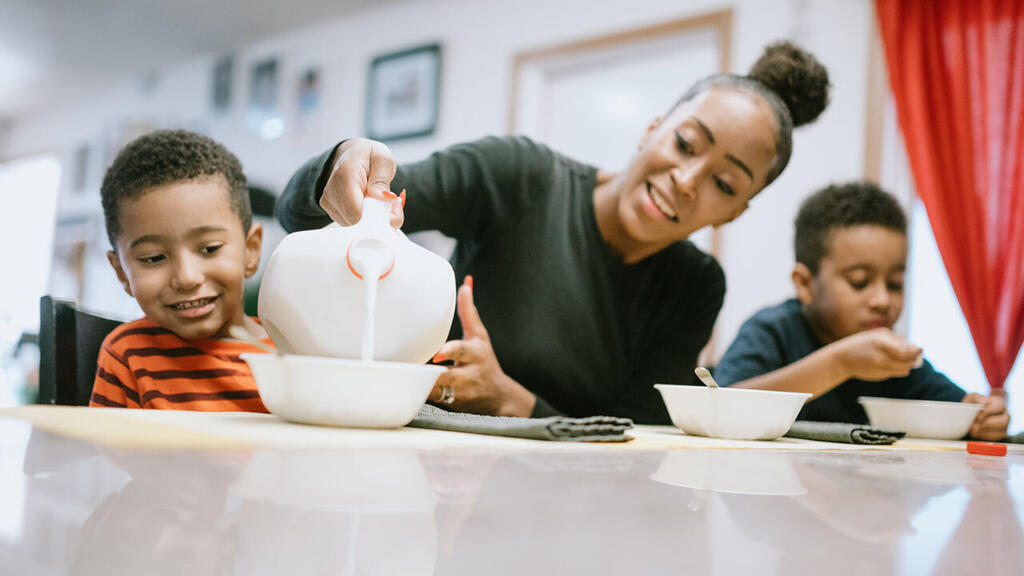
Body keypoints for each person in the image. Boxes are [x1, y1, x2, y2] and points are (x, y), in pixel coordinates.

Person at [277, 42, 831, 423]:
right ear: (652, 129)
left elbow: (639, 439)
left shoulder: (695, 285)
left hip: (573, 509)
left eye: (725, 183)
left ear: (734, 212)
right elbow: (302, 215)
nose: (687, 181)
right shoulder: (520, 176)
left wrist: (512, 400)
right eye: (685, 144)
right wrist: (346, 163)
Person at [713, 181, 1010, 440]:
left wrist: (983, 417)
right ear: (804, 284)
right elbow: (723, 407)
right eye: (859, 282)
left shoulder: (894, 360)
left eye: (894, 283)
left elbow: (963, 409)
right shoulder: (773, 330)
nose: (882, 299)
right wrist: (841, 363)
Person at [89, 129, 272, 411]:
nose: (187, 277)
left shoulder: (294, 351)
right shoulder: (128, 356)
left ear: (250, 250)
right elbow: (108, 454)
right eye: (153, 258)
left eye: (210, 249)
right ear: (122, 273)